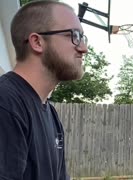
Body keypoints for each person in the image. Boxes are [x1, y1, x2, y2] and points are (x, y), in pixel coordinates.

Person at [0, 1, 88, 180]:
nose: (83, 48)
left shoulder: (50, 113)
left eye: (83, 38)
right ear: (37, 42)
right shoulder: (6, 104)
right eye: (74, 36)